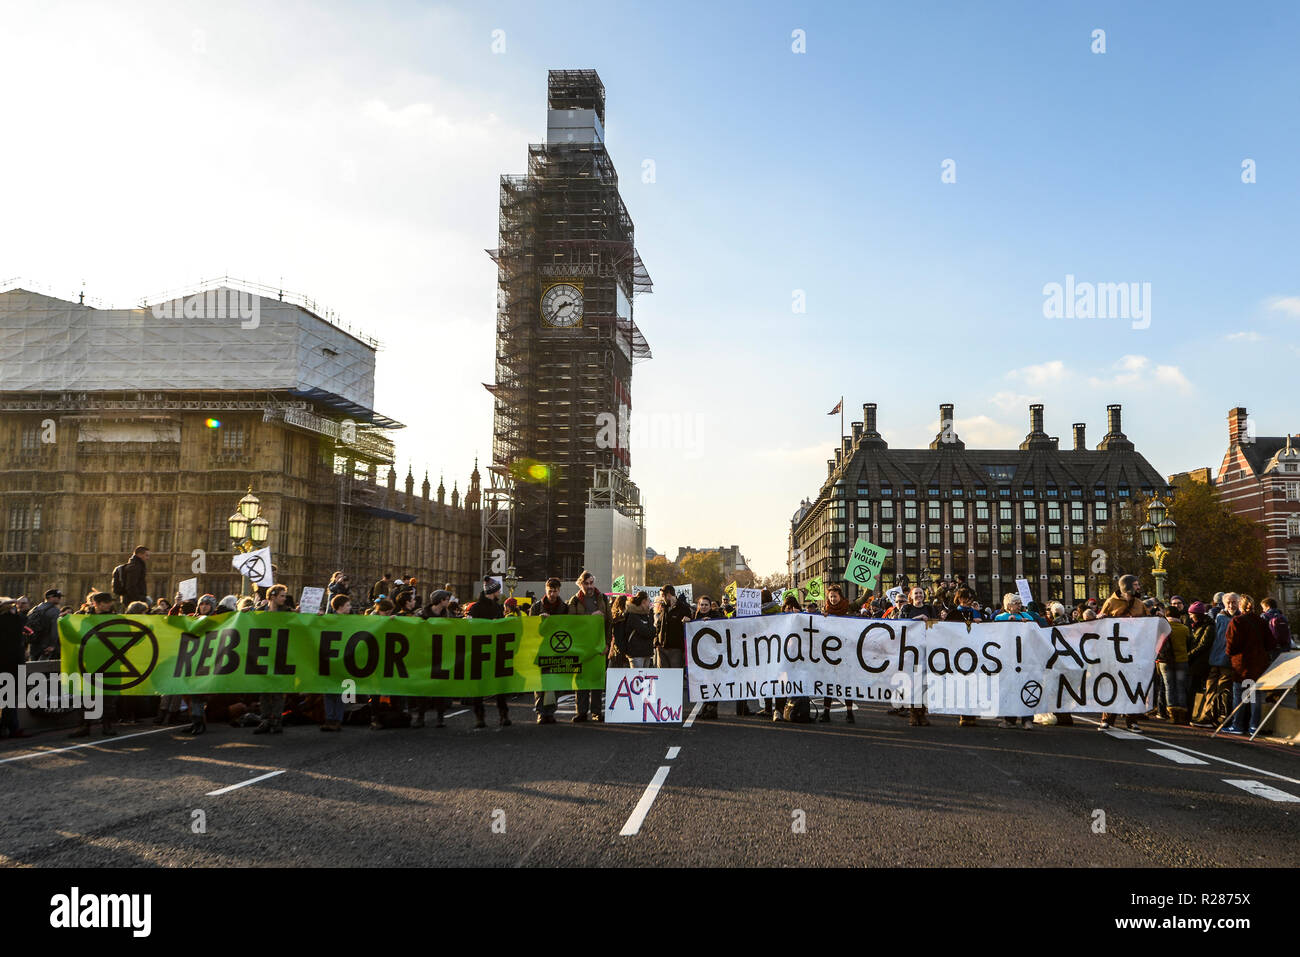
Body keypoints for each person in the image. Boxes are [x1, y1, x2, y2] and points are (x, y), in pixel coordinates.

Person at [1096, 574, 1146, 732]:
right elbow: (1099, 623)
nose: (1138, 588)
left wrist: (1157, 619)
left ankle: (1132, 721)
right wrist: (1100, 618)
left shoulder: (1139, 604)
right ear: (1127, 586)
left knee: (1132, 685)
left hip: (1133, 651)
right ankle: (1107, 719)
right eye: (1136, 585)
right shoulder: (1111, 603)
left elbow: (1147, 623)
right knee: (1112, 683)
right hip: (1114, 650)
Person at [67, 593, 118, 737]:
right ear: (97, 604)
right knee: (87, 696)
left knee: (108, 697)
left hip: (111, 661)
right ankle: (84, 726)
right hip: (91, 661)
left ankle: (107, 725)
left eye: (109, 602)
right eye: (106, 602)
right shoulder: (85, 620)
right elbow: (80, 639)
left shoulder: (115, 619)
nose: (109, 605)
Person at [467, 578, 513, 728]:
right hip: (482, 650)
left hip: (492, 650)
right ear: (493, 591)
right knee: (483, 685)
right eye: (498, 590)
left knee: (496, 685)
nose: (500, 592)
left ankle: (498, 715)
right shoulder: (477, 609)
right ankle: (485, 716)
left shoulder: (496, 607)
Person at [568, 570, 612, 722]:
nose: (589, 586)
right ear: (580, 585)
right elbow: (572, 622)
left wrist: (607, 643)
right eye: (586, 584)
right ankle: (581, 712)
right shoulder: (574, 600)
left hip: (599, 645)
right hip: (581, 646)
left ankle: (596, 711)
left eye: (591, 583)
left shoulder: (603, 598)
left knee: (597, 679)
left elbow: (609, 623)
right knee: (581, 679)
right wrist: (590, 617)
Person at [1224, 595, 1271, 735]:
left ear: (1240, 606)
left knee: (1240, 695)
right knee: (1255, 695)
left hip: (1242, 664)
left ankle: (1237, 724)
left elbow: (1231, 646)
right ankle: (1253, 725)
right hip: (1258, 664)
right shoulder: (1261, 621)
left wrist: (1231, 655)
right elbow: (1270, 643)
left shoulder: (1237, 621)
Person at [1198, 592, 1240, 728]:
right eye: (1228, 602)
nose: (1231, 605)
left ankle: (1222, 716)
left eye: (1234, 602)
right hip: (1215, 658)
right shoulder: (1220, 618)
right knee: (1211, 688)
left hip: (1228, 660)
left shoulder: (1239, 618)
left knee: (1224, 690)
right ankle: (1208, 715)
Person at [994, 593, 1036, 729]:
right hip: (1008, 657)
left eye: (1019, 603)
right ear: (1009, 605)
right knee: (1010, 687)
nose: (1019, 605)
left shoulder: (1027, 617)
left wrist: (1028, 625)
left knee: (1026, 685)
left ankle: (1027, 719)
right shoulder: (1000, 618)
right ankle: (1010, 719)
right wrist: (1008, 623)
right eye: (1016, 603)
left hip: (1025, 657)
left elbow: (1037, 631)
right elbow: (993, 632)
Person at [253, 584, 290, 734]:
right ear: (272, 597)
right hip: (263, 655)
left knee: (278, 691)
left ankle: (277, 721)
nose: (284, 599)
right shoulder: (259, 612)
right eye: (282, 596)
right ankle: (265, 720)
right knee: (264, 691)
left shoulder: (288, 612)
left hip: (281, 655)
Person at [529, 578, 567, 724]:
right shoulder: (537, 607)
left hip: (558, 650)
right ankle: (541, 712)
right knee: (540, 684)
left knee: (555, 682)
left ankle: (550, 712)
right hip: (541, 650)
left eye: (555, 591)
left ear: (559, 590)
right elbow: (530, 628)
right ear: (546, 590)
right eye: (549, 591)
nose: (552, 594)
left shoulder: (564, 607)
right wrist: (538, 620)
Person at [818, 584, 855, 724]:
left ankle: (850, 713)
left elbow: (863, 598)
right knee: (829, 682)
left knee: (846, 683)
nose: (833, 599)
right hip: (831, 652)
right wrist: (823, 618)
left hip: (846, 650)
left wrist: (870, 584)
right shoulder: (825, 611)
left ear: (840, 596)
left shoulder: (849, 607)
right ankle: (826, 713)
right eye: (831, 596)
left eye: (835, 596)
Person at [0, 596, 28, 738]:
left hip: (7, 663)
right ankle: (7, 728)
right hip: (11, 664)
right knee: (9, 698)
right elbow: (21, 622)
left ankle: (12, 728)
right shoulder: (13, 620)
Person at [1159, 604, 1191, 725]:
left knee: (1169, 687)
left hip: (1165, 661)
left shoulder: (1163, 629)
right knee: (1181, 687)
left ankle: (1172, 715)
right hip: (1182, 660)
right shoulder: (1184, 629)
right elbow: (1189, 644)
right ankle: (1182, 714)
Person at [1185, 601, 1216, 726]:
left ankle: (1193, 713)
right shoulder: (1197, 625)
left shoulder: (1208, 626)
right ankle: (1192, 713)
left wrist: (1189, 655)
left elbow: (1203, 645)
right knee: (1193, 688)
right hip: (1196, 660)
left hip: (1201, 661)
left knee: (1194, 688)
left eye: (1192, 614)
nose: (1190, 617)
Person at [25, 588, 63, 661]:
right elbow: (54, 630)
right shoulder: (55, 611)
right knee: (43, 669)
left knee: (32, 667)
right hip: (46, 645)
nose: (59, 598)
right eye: (57, 596)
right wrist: (52, 645)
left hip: (33, 644)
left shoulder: (35, 609)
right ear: (50, 597)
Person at [1260, 598, 1292, 662]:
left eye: (1263, 608)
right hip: (1285, 646)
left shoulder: (1264, 616)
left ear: (1268, 607)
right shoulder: (1282, 616)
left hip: (1272, 648)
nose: (1263, 610)